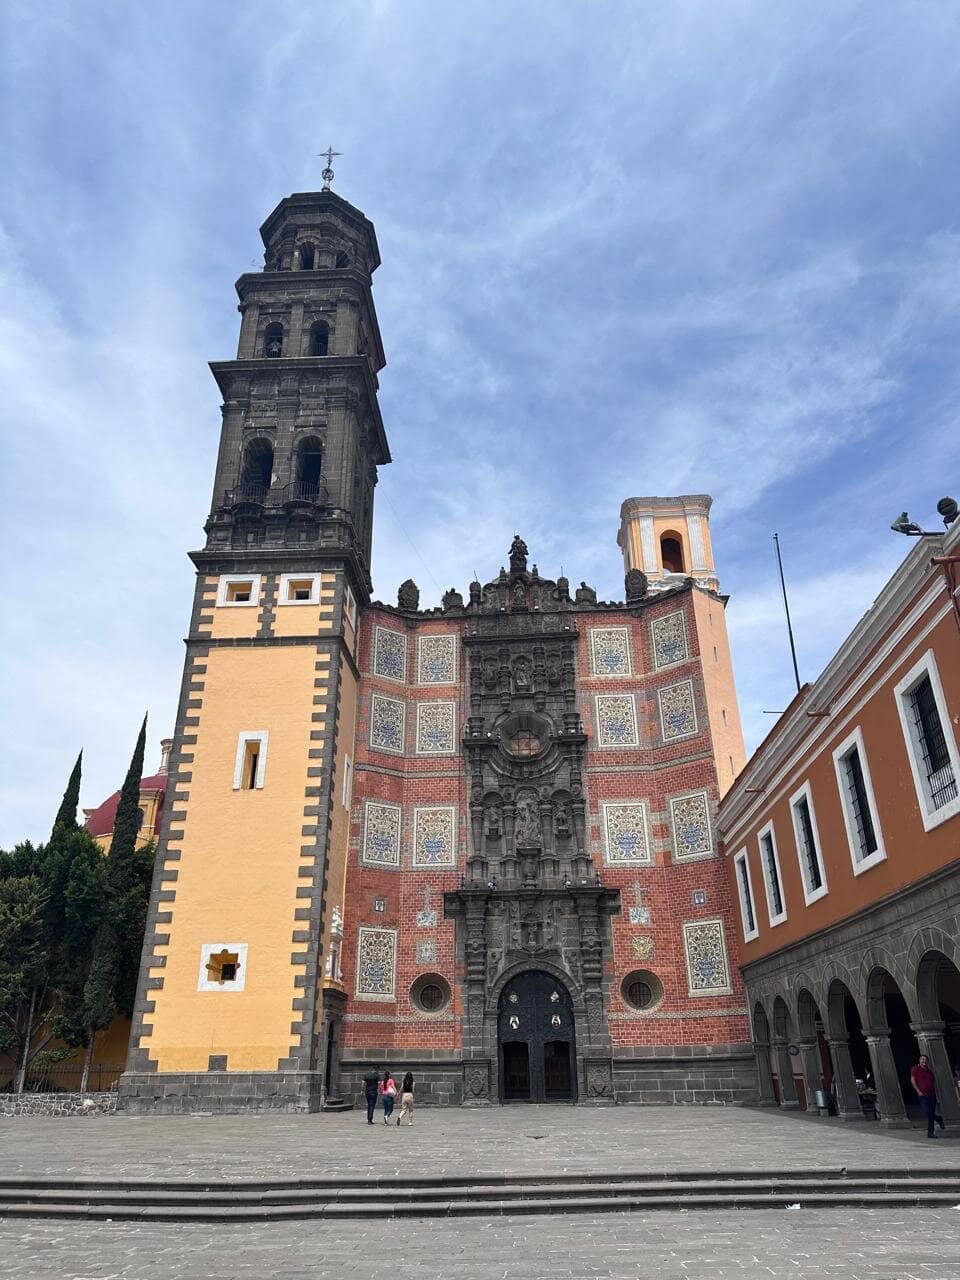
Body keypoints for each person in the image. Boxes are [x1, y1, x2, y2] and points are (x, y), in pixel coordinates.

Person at [910, 1053, 945, 1138]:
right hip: (922, 1094)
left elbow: (933, 1083)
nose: (924, 1061)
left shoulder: (929, 1071)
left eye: (925, 1060)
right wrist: (918, 1091)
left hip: (932, 1094)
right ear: (919, 1060)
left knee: (931, 1114)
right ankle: (938, 1119)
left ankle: (930, 1133)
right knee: (927, 1112)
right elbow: (912, 1080)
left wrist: (937, 1094)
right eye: (922, 1059)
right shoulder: (915, 1069)